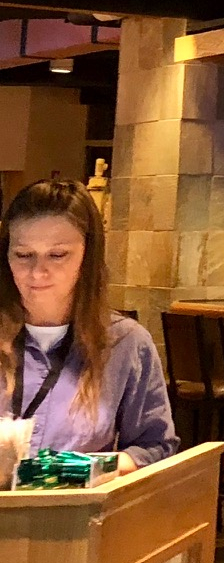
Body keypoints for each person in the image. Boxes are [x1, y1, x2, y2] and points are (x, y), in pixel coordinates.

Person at [1, 180, 178, 472]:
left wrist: (79, 470)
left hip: (77, 513)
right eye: (23, 255)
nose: (38, 271)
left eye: (57, 255)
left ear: (88, 256)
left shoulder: (126, 342)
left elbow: (156, 447)